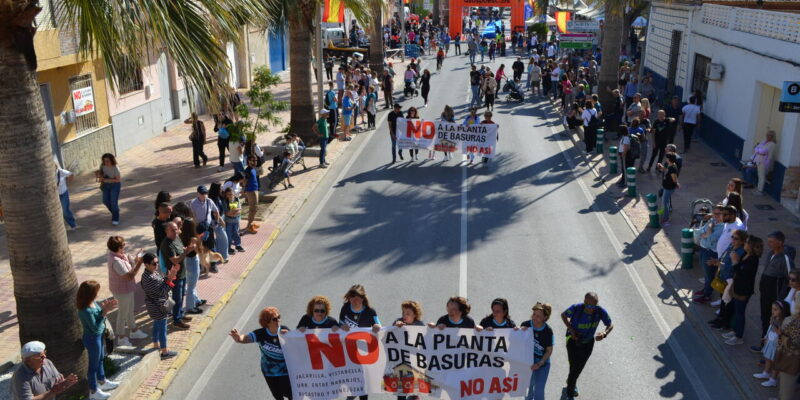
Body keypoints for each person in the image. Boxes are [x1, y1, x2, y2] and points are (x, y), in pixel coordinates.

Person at [229, 307, 292, 399]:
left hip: (285, 371)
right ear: (267, 322)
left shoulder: (285, 330)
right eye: (274, 319)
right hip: (269, 372)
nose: (278, 320)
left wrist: (289, 337)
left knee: (291, 395)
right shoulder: (261, 334)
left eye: (279, 317)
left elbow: (296, 346)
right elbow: (246, 338)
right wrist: (238, 338)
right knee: (277, 396)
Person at [561, 292, 613, 400]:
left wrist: (604, 333)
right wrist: (571, 329)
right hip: (573, 341)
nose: (591, 309)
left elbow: (610, 324)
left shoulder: (599, 311)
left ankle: (571, 382)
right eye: (588, 306)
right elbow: (564, 315)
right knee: (574, 368)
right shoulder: (576, 308)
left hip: (588, 343)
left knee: (579, 368)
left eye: (593, 306)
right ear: (584, 302)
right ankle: (570, 393)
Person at [76, 280, 120, 400]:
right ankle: (93, 391)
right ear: (90, 294)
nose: (97, 294)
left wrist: (105, 308)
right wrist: (105, 312)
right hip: (92, 338)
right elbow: (94, 327)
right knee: (93, 366)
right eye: (96, 292)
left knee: (100, 359)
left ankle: (102, 381)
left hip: (98, 336)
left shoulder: (93, 303)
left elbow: (98, 316)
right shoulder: (85, 311)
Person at [720, 235, 763, 345]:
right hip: (737, 287)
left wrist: (735, 262)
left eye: (747, 242)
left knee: (740, 312)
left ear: (752, 246)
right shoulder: (745, 254)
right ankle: (735, 331)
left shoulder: (753, 260)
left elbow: (742, 274)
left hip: (744, 290)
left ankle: (739, 336)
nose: (745, 244)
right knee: (736, 310)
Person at [106, 236, 148, 347]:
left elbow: (130, 265)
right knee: (123, 313)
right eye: (123, 245)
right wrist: (140, 263)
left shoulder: (121, 255)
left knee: (129, 310)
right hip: (121, 291)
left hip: (127, 288)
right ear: (118, 248)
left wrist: (136, 259)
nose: (125, 246)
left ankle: (134, 331)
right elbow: (129, 276)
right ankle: (121, 337)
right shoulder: (116, 261)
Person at [757, 231, 796, 344]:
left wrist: (782, 297)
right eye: (768, 241)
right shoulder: (770, 253)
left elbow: (791, 278)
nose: (769, 244)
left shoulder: (785, 258)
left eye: (771, 242)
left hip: (774, 296)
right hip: (765, 294)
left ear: (780, 242)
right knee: (764, 317)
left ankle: (768, 345)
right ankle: (764, 341)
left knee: (773, 320)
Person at [140, 252, 180, 359]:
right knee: (162, 329)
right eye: (154, 263)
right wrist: (170, 278)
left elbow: (161, 283)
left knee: (156, 325)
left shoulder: (151, 273)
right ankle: (165, 352)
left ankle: (156, 345)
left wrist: (169, 277)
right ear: (146, 265)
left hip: (155, 305)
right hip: (158, 307)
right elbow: (162, 291)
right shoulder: (149, 278)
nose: (157, 265)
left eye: (157, 262)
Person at [11, 341, 77, 400]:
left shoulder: (47, 363)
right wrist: (52, 392)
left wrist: (65, 382)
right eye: (40, 356)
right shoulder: (20, 376)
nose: (44, 357)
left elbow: (58, 383)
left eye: (44, 353)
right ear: (28, 361)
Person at [709, 229, 748, 327]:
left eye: (736, 238)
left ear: (742, 241)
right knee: (722, 300)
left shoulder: (741, 252)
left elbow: (733, 267)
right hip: (723, 277)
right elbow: (723, 256)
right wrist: (716, 261)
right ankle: (719, 318)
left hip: (730, 280)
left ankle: (725, 323)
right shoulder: (731, 246)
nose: (733, 240)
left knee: (728, 303)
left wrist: (720, 264)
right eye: (732, 237)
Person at [160, 221, 195, 329]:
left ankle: (180, 314)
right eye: (173, 230)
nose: (176, 231)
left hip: (182, 273)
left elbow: (182, 249)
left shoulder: (177, 238)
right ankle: (177, 320)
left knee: (181, 295)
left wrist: (188, 249)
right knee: (177, 298)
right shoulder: (167, 244)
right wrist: (186, 252)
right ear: (166, 231)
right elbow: (175, 260)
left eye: (176, 229)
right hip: (175, 276)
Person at [754, 300, 791, 387]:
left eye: (775, 309)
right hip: (770, 341)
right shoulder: (774, 318)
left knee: (775, 362)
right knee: (768, 358)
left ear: (782, 311)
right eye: (772, 309)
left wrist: (779, 331)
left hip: (777, 344)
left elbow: (783, 334)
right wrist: (766, 337)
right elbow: (770, 329)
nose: (773, 311)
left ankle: (773, 379)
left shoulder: (784, 322)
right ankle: (766, 373)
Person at [521, 303, 554, 400]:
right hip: (527, 362)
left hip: (542, 363)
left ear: (545, 318)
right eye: (534, 314)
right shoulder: (526, 325)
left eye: (538, 316)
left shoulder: (548, 331)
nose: (534, 317)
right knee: (528, 389)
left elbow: (549, 351)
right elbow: (516, 341)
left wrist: (540, 363)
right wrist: (518, 331)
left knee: (539, 391)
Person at [772, 293, 800, 400]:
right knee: (784, 386)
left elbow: (795, 344)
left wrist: (781, 335)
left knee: (787, 391)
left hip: (791, 360)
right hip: (787, 358)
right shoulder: (794, 319)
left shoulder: (797, 322)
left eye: (796, 300)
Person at [97, 153, 121, 226]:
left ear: (112, 160)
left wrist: (105, 179)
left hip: (115, 185)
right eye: (104, 161)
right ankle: (115, 212)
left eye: (107, 161)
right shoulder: (102, 166)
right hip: (105, 185)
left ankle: (115, 218)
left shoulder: (115, 168)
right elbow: (100, 173)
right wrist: (99, 176)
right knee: (105, 201)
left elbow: (117, 180)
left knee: (113, 202)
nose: (106, 163)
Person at [55, 161, 78, 231]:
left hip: (63, 193)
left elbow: (71, 174)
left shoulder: (60, 171)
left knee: (65, 210)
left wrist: (67, 183)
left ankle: (73, 224)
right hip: (54, 196)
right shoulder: (47, 174)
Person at [221, 187, 244, 254]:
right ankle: (228, 248)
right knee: (229, 235)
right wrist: (235, 210)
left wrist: (234, 212)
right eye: (228, 194)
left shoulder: (237, 199)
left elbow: (240, 209)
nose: (230, 196)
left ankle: (238, 245)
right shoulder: (225, 201)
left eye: (231, 194)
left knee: (236, 233)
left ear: (234, 193)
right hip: (228, 221)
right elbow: (226, 212)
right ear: (226, 195)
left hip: (236, 220)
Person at [659, 153, 680, 226]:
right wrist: (662, 167)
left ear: (669, 159)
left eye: (666, 158)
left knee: (665, 203)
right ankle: (662, 214)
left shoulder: (672, 168)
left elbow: (674, 179)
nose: (665, 159)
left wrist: (676, 183)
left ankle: (665, 219)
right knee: (664, 201)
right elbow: (667, 170)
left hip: (669, 188)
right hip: (666, 187)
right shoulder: (670, 165)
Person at [243, 156, 261, 233]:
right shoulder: (248, 171)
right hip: (251, 191)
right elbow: (244, 182)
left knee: (255, 208)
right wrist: (245, 190)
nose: (255, 162)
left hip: (255, 190)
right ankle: (249, 226)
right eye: (253, 160)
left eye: (256, 160)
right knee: (253, 209)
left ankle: (251, 223)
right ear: (249, 161)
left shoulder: (253, 169)